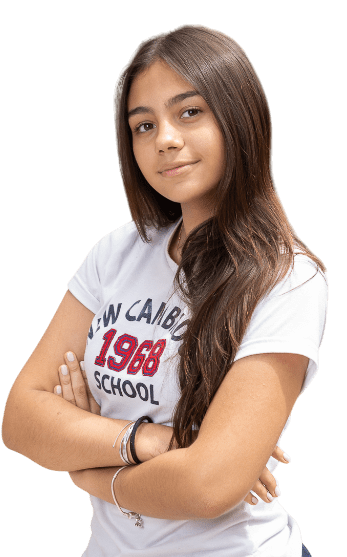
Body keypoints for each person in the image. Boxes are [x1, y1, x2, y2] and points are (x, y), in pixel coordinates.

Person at [2, 24, 328, 557]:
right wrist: (145, 441)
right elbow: (20, 418)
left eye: (190, 112)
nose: (165, 139)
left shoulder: (287, 278)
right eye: (143, 125)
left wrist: (93, 470)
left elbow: (207, 484)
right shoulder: (116, 252)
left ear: (240, 117)